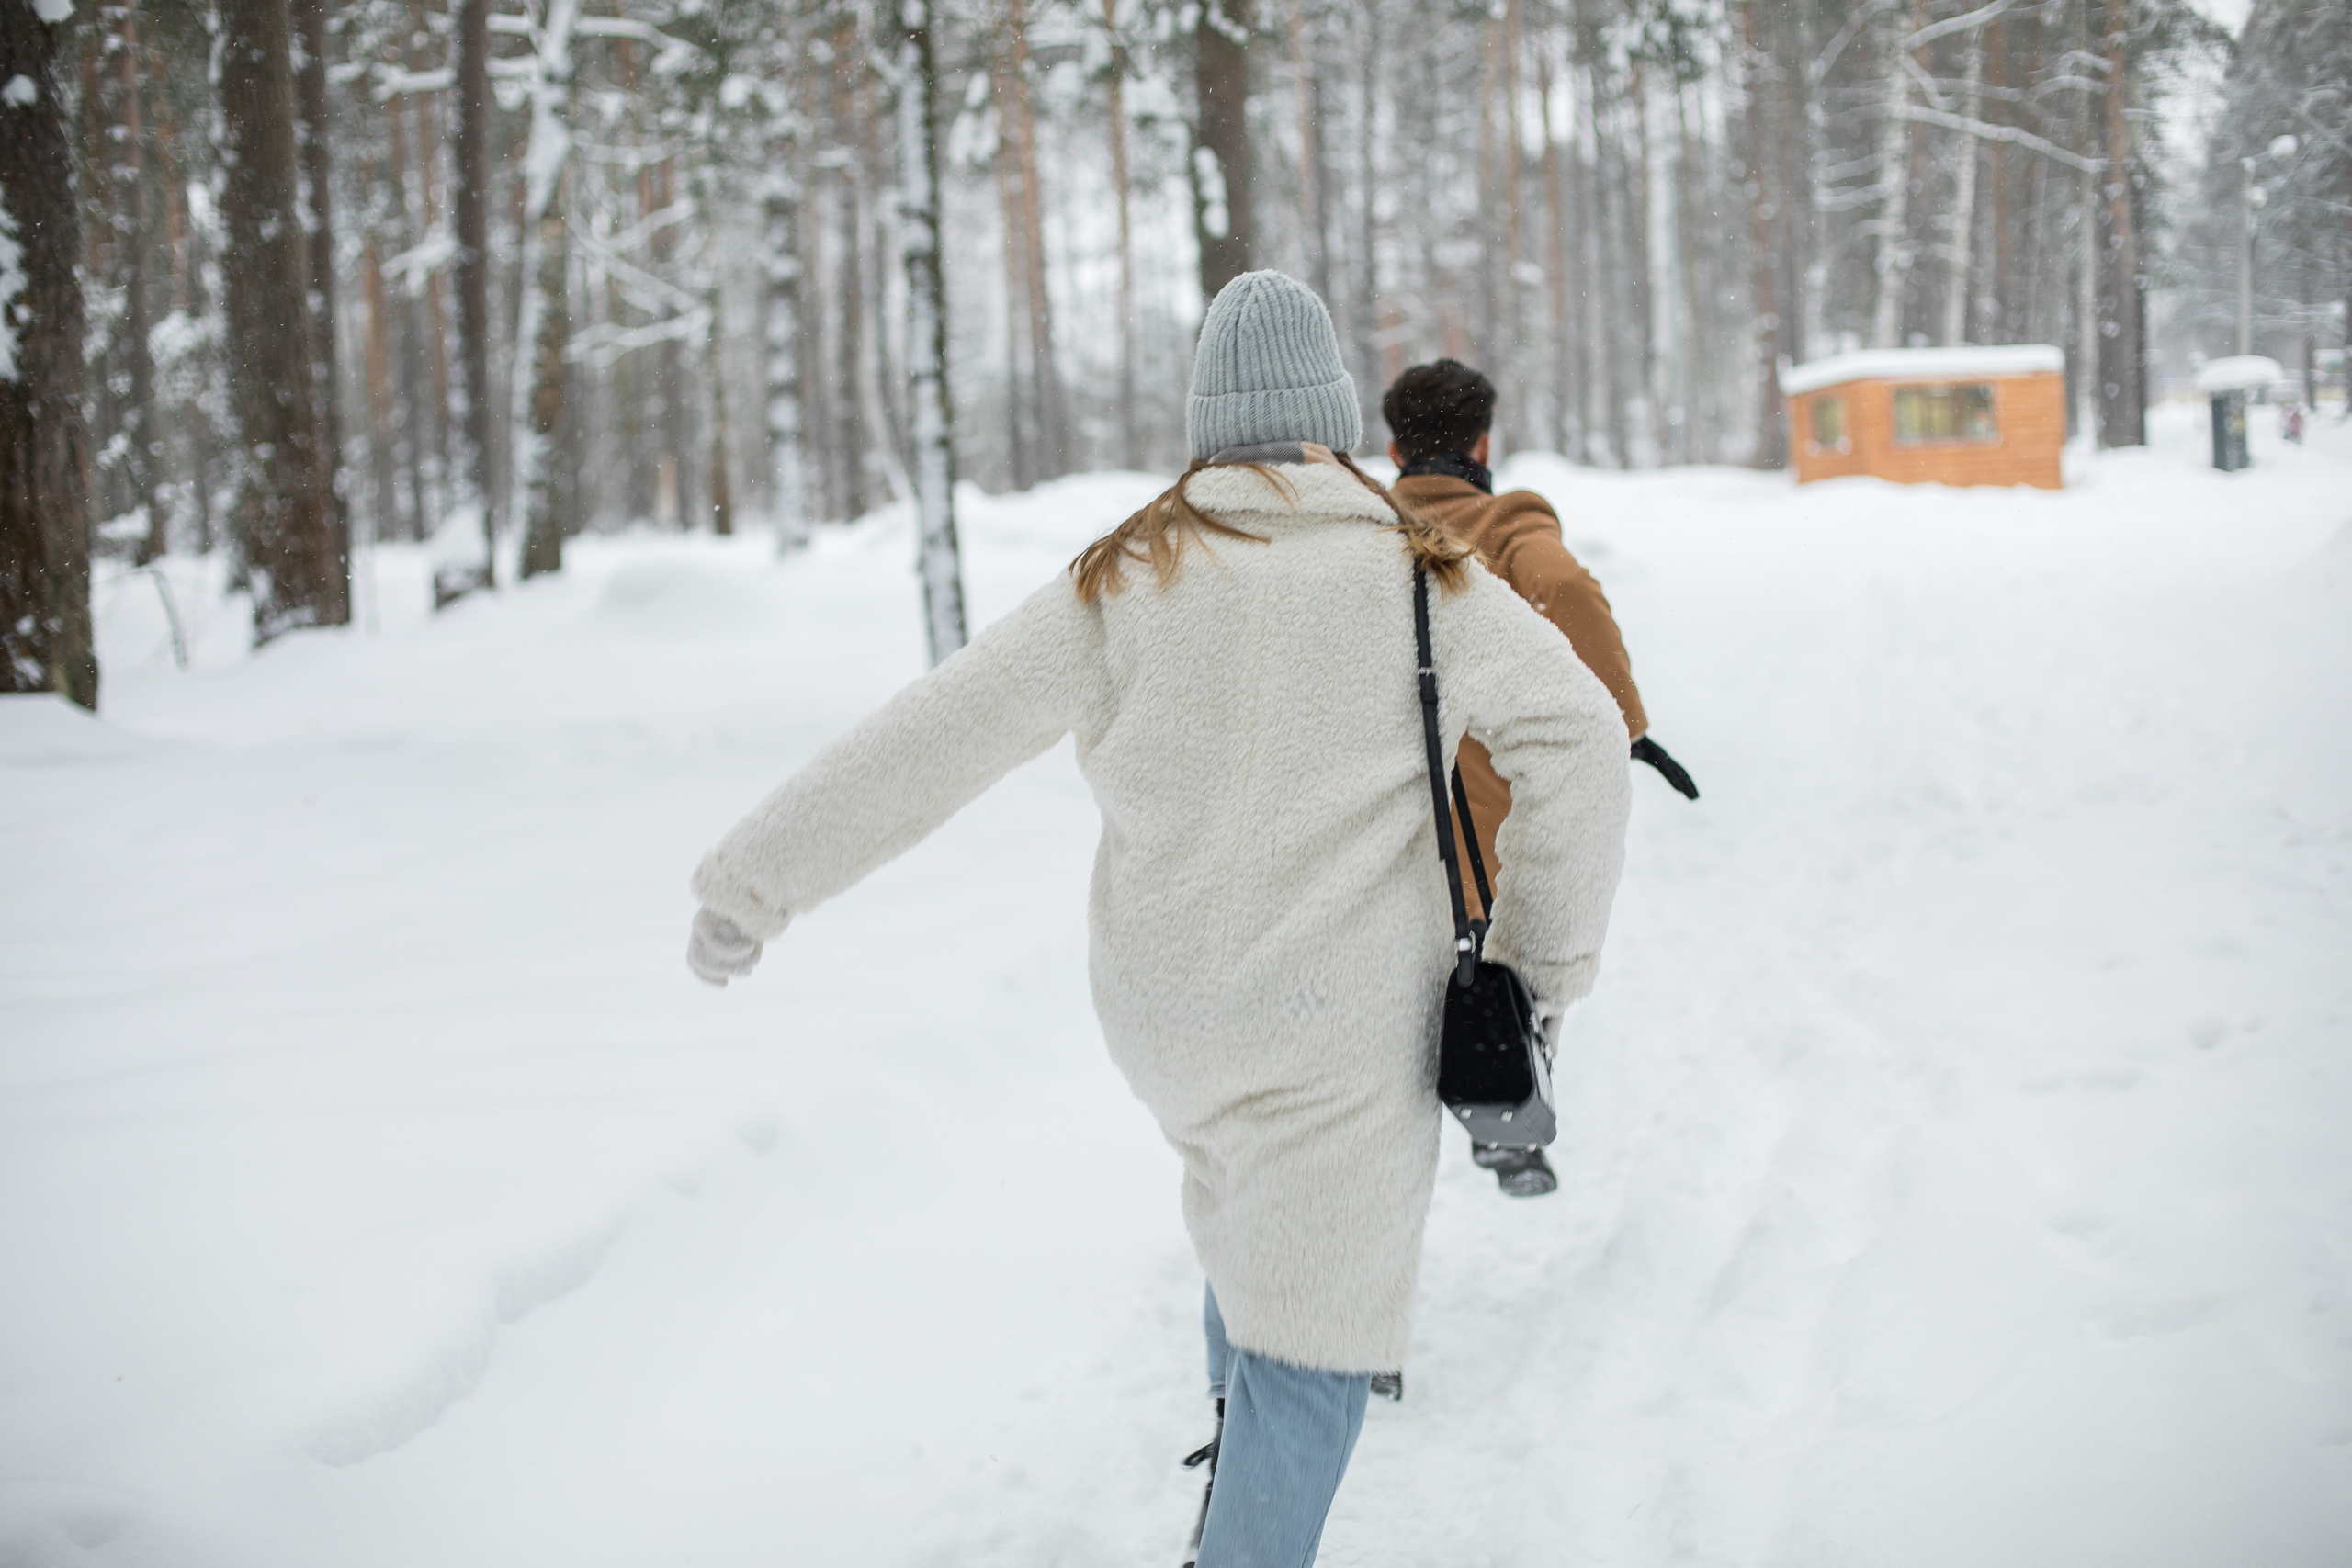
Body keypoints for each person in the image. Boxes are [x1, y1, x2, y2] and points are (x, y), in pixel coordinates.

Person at [684, 273, 1632, 1567]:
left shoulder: (1125, 574)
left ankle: (1227, 1450)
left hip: (1167, 1018)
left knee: (1251, 1220)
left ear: (1204, 418)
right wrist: (1536, 964)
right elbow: (1581, 731)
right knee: (1317, 1342)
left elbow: (934, 735)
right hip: (1340, 1024)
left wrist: (754, 879)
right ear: (1331, 414)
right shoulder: (1418, 577)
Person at [1385, 358, 1697, 1200]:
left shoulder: (1364, 535)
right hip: (1484, 837)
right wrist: (1623, 725)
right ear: (1484, 441)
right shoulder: (1503, 525)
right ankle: (1508, 1100)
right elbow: (1564, 588)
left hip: (1382, 834)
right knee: (1510, 976)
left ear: (1393, 448)